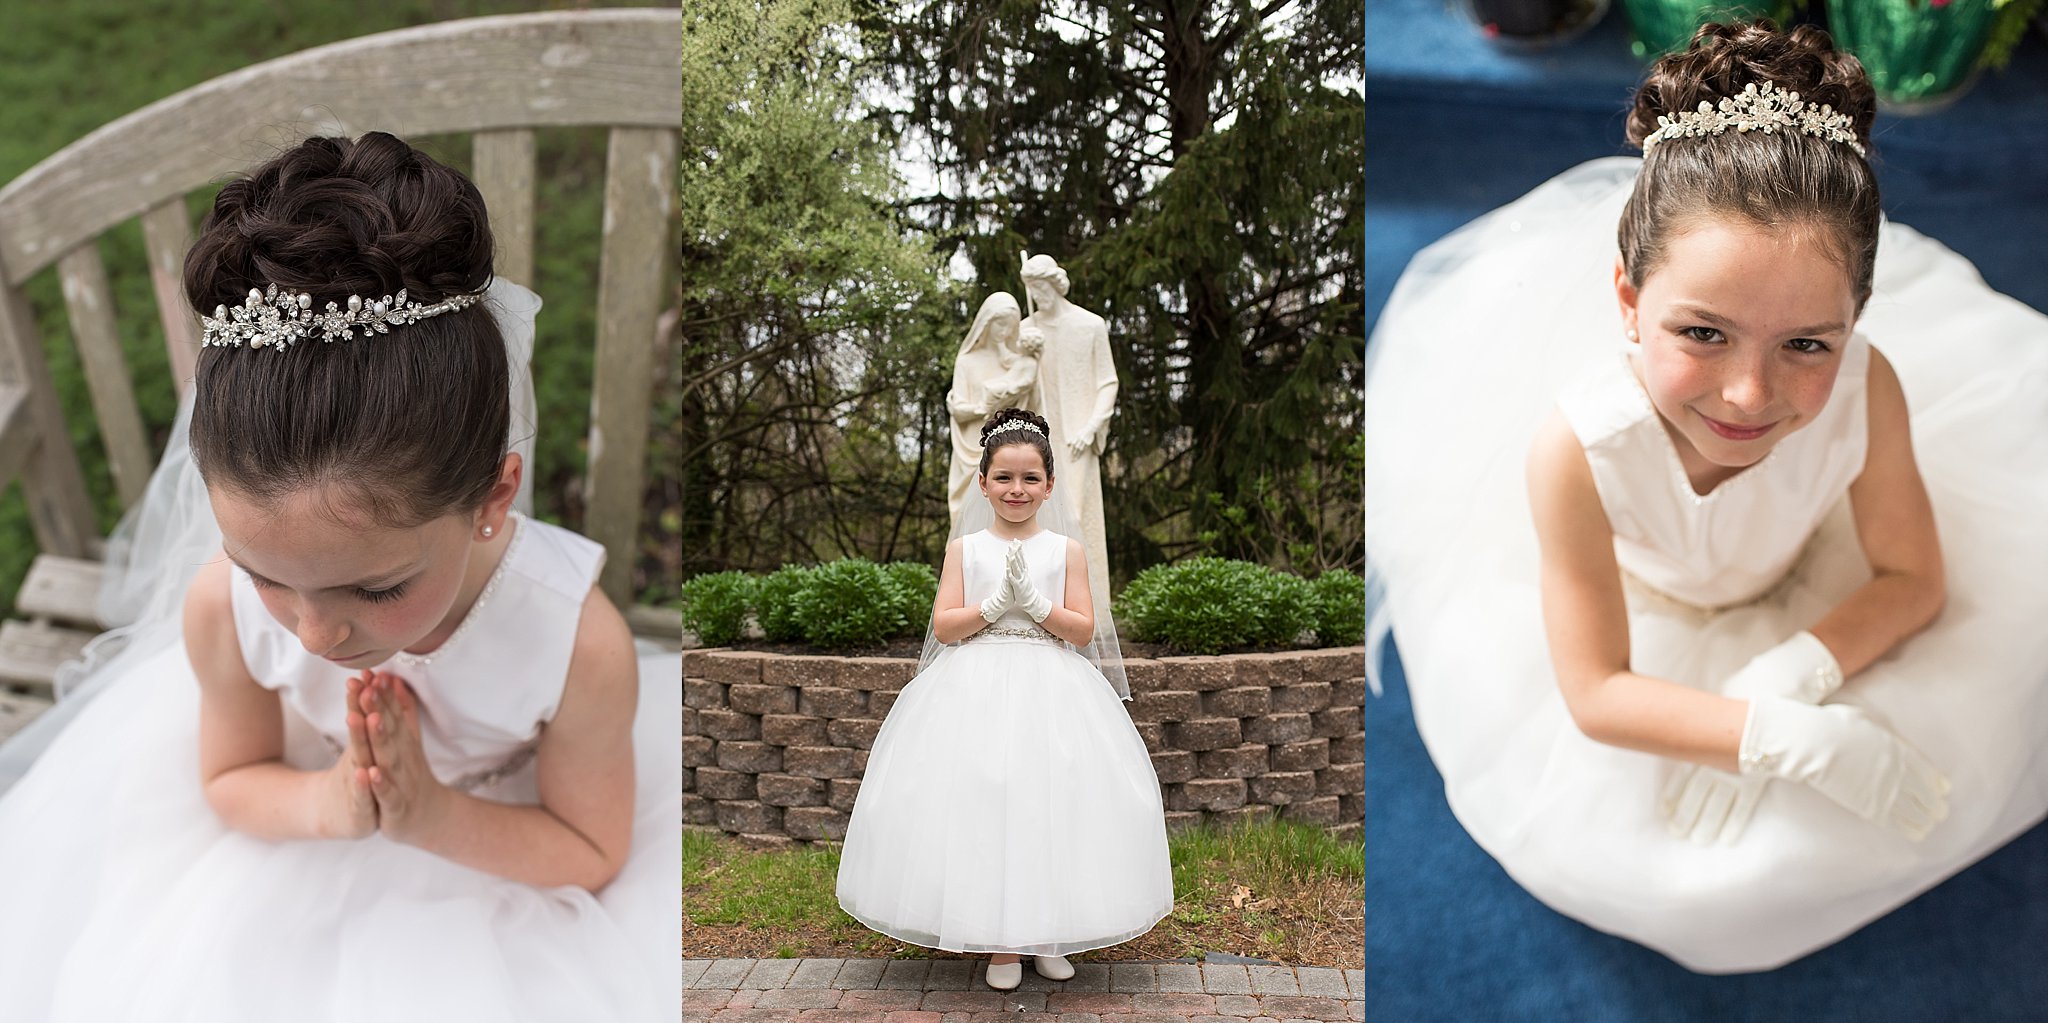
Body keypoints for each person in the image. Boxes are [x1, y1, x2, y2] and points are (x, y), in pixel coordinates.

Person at [1365, 21, 2048, 973]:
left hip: (1810, 582)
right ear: (1628, 302)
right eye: (1703, 333)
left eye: (1808, 343)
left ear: (1853, 325)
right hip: (1647, 616)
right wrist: (1768, 734)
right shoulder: (1576, 453)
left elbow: (1912, 576)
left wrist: (1798, 668)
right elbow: (1599, 692)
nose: (1748, 395)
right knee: (1699, 883)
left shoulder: (1869, 389)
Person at [0, 132, 679, 1019]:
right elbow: (229, 777)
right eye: (264, 575)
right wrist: (330, 803)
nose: (316, 637)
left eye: (378, 588)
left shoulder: (576, 645)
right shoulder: (220, 609)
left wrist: (428, 814)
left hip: (498, 868)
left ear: (491, 497)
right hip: (300, 845)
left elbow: (591, 847)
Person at [836, 407, 1171, 990]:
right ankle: (1002, 944)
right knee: (988, 804)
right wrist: (993, 607)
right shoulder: (965, 550)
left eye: (1030, 479)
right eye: (1005, 478)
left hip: (1053, 688)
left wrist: (1037, 607)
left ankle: (1048, 933)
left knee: (1052, 803)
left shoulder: (1065, 550)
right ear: (984, 482)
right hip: (975, 684)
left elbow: (1084, 630)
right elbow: (944, 626)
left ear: (1048, 486)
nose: (1017, 490)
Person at [946, 292, 1042, 529]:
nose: (1004, 331)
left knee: (1011, 501)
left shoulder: (1019, 361)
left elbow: (1033, 405)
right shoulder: (967, 361)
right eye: (1000, 323)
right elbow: (958, 409)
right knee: (967, 515)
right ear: (986, 322)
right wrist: (981, 409)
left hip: (1010, 445)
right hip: (972, 443)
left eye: (1009, 326)